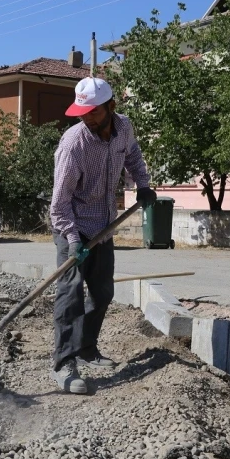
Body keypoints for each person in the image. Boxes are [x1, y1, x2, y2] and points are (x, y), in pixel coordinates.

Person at [49, 77, 157, 394]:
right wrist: (72, 240)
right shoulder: (73, 145)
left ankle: (86, 348)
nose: (86, 117)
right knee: (69, 296)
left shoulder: (123, 127)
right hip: (73, 225)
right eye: (82, 111)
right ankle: (64, 363)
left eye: (93, 111)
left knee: (103, 292)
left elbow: (133, 155)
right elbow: (59, 205)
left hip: (104, 224)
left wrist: (143, 184)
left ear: (111, 106)